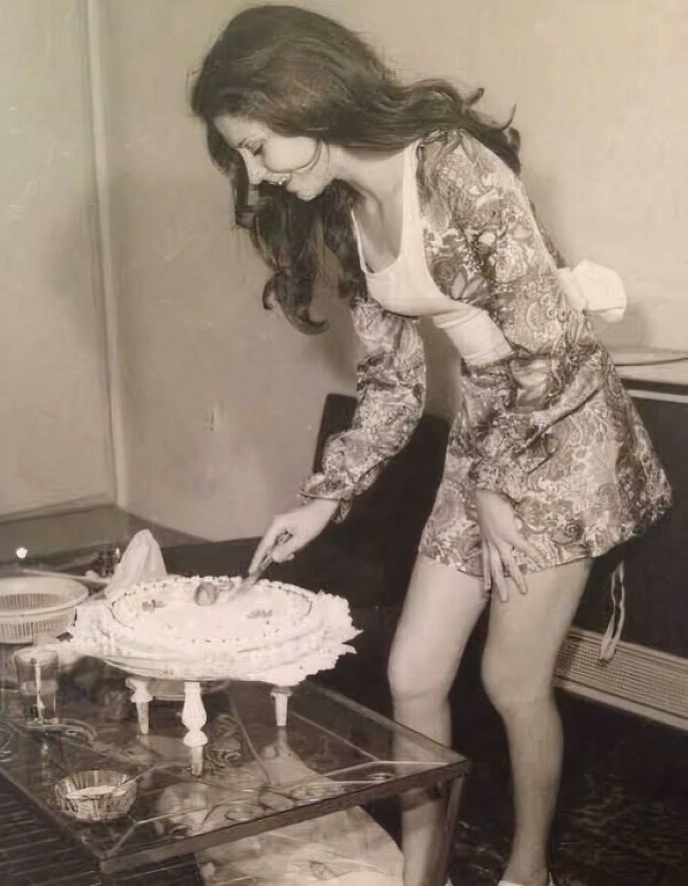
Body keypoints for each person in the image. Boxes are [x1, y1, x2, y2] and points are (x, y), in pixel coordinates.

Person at [190, 6, 672, 886]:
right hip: (491, 433)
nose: (256, 176)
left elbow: (552, 346)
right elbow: (394, 385)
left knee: (511, 682)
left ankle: (529, 869)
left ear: (309, 100)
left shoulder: (454, 167)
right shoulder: (345, 209)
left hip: (561, 428)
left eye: (259, 146)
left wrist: (493, 488)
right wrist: (324, 498)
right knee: (414, 671)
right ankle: (429, 870)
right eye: (243, 157)